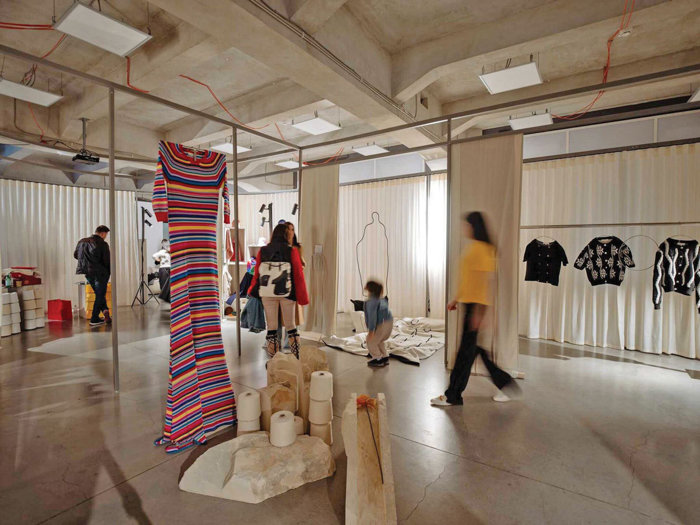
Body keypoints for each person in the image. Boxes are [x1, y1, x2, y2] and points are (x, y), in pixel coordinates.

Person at [431, 212, 519, 406]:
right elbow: (468, 279)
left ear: (474, 226)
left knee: (465, 353)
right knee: (472, 351)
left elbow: (486, 283)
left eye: (466, 225)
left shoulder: (483, 250)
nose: (464, 229)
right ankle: (504, 384)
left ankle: (453, 396)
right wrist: (456, 299)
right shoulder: (474, 247)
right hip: (470, 304)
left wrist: (479, 313)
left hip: (476, 307)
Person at [249, 223, 308, 358]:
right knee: (291, 326)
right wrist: (302, 297)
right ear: (286, 235)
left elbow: (257, 273)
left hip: (267, 292)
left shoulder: (263, 250)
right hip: (287, 292)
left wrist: (252, 290)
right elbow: (298, 275)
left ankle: (274, 360)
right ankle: (296, 357)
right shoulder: (291, 251)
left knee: (272, 328)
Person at [74, 225, 111, 326]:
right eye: (106, 235)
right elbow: (107, 260)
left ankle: (105, 310)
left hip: (87, 273)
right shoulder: (103, 244)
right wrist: (108, 273)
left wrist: (86, 261)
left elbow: (76, 255)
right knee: (100, 295)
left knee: (99, 294)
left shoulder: (82, 242)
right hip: (100, 273)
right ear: (103, 233)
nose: (105, 237)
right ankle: (94, 319)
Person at [364, 280, 393, 368]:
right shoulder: (382, 300)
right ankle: (385, 356)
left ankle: (377, 358)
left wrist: (371, 330)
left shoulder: (371, 302)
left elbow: (372, 316)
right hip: (389, 323)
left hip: (381, 324)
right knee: (379, 340)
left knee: (370, 341)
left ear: (369, 290)